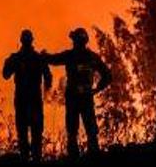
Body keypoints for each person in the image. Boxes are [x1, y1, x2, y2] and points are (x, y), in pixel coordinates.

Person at [44, 27, 112, 157]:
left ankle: (75, 156)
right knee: (89, 128)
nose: (74, 43)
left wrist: (43, 56)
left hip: (74, 97)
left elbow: (53, 59)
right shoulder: (92, 57)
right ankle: (93, 154)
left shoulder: (70, 56)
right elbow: (107, 76)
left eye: (74, 40)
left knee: (73, 130)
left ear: (75, 41)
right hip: (85, 96)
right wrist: (96, 89)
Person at [2, 29, 52, 160]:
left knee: (23, 134)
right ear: (32, 41)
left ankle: (26, 158)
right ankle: (35, 158)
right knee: (35, 134)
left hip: (22, 100)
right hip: (33, 100)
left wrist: (10, 60)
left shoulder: (17, 58)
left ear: (21, 41)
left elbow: (5, 74)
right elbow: (49, 79)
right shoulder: (38, 58)